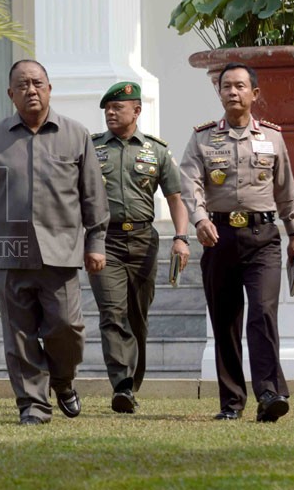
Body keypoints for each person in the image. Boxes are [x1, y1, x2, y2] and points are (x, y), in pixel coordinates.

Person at [0, 59, 109, 425]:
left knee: (67, 329)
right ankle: (33, 405)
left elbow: (93, 196)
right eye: (22, 85)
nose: (31, 90)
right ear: (11, 94)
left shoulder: (76, 135)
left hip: (61, 252)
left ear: (49, 88)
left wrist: (97, 242)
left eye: (38, 83)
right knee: (19, 334)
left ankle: (63, 379)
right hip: (10, 254)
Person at [179, 62, 294, 423]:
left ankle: (270, 393)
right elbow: (190, 182)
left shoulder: (273, 137)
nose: (232, 92)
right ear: (219, 94)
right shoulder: (202, 138)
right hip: (219, 237)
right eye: (225, 87)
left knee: (263, 313)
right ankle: (232, 402)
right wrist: (199, 220)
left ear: (254, 93)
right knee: (226, 319)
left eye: (239, 86)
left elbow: (286, 191)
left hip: (263, 238)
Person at [89, 82, 191, 413]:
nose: (110, 113)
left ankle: (132, 385)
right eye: (107, 108)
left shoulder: (156, 151)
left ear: (137, 110)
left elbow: (176, 198)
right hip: (106, 241)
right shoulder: (91, 150)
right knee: (112, 313)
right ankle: (121, 384)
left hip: (145, 241)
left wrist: (181, 237)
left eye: (118, 107)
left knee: (137, 317)